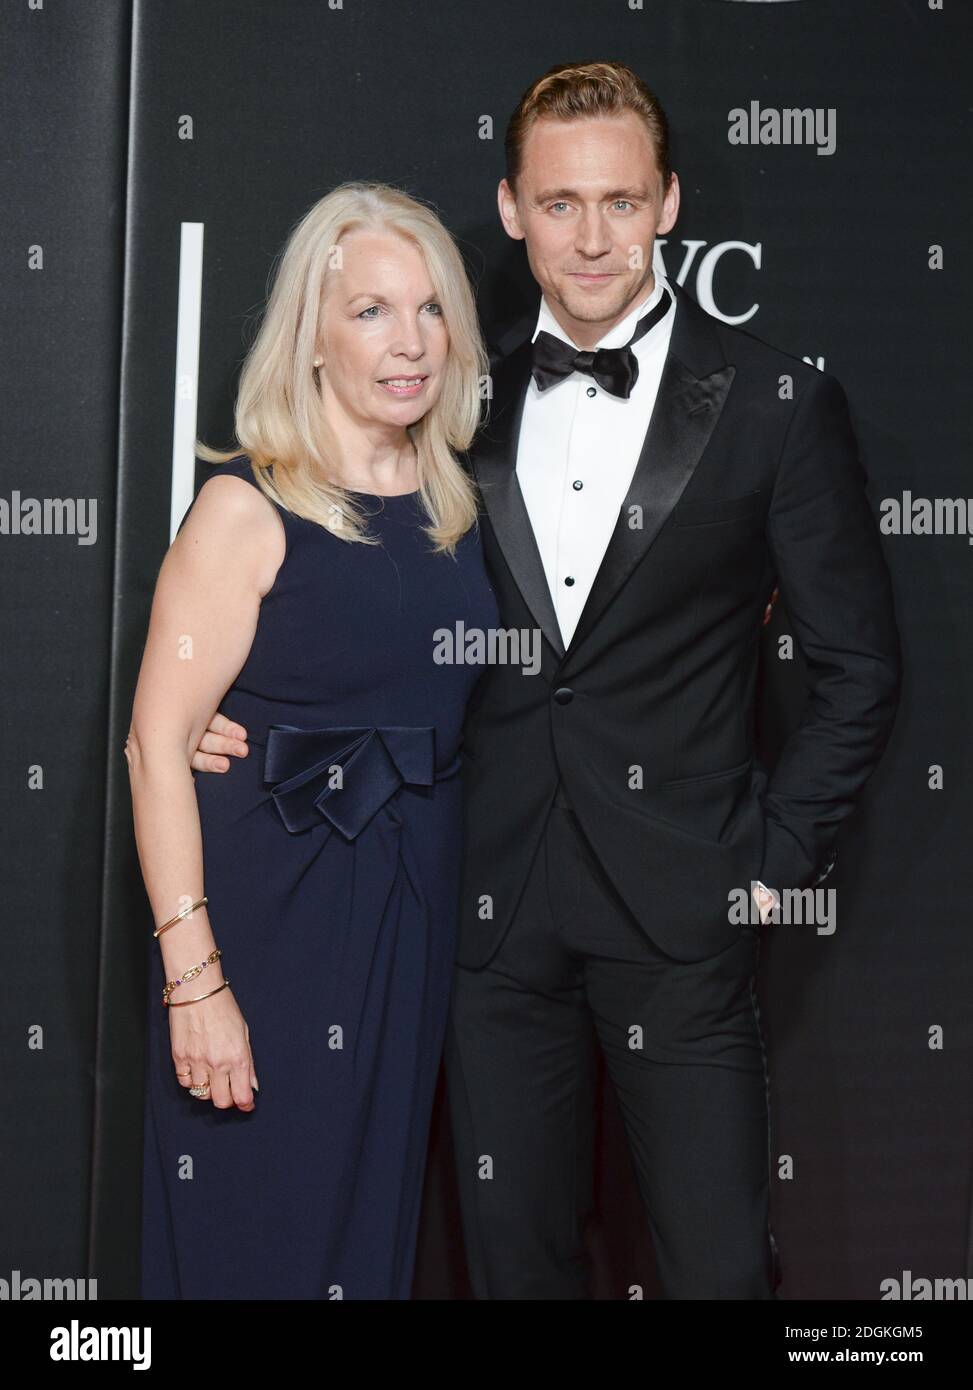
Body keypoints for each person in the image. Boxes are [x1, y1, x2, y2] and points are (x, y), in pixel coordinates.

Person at [195, 62, 902, 1299]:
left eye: (620, 203)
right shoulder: (458, 408)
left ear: (669, 204)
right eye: (561, 204)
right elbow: (344, 584)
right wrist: (219, 707)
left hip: (687, 914)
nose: (592, 238)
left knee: (720, 1270)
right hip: (486, 914)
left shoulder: (777, 405)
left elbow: (858, 669)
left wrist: (770, 867)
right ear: (512, 209)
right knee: (512, 1268)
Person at [127, 181, 498, 1299]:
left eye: (431, 311)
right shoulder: (246, 508)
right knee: (260, 1220)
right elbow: (157, 748)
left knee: (368, 1237)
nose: (410, 342)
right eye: (374, 311)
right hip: (273, 916)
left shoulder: (460, 508)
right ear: (314, 337)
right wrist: (196, 981)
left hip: (410, 913)